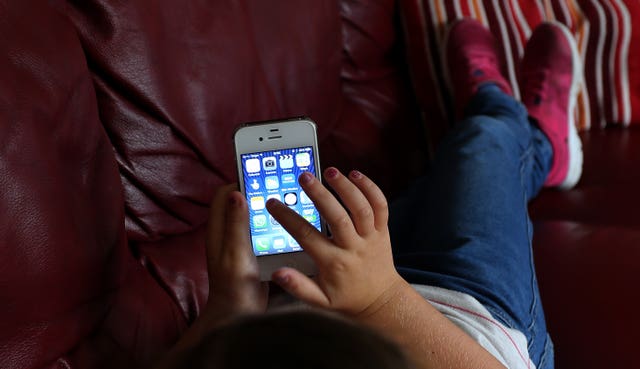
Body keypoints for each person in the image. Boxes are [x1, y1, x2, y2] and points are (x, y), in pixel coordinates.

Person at [157, 19, 582, 369]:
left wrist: (229, 311)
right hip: (462, 317)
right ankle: (524, 124)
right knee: (484, 141)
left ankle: (507, 122)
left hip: (347, 275)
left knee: (435, 181)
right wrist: (382, 298)